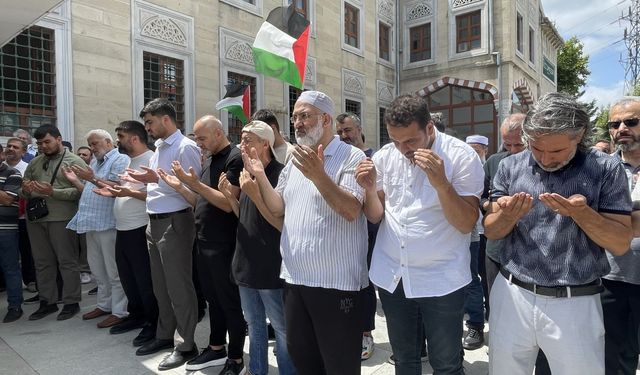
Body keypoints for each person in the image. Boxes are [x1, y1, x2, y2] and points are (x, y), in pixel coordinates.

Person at [484, 92, 633, 374]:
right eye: (537, 148)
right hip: (512, 293)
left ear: (579, 136)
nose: (545, 159)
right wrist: (507, 215)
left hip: (575, 302)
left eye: (556, 151)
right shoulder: (510, 165)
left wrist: (582, 213)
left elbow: (620, 242)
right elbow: (491, 231)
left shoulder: (605, 167)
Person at [356, 94, 483, 374]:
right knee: (404, 360)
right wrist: (368, 189)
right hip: (394, 275)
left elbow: (465, 223)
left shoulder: (461, 156)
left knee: (446, 364)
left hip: (442, 279)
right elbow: (376, 215)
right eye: (395, 140)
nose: (403, 149)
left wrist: (441, 184)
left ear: (429, 129)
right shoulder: (386, 156)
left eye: (410, 141)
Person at [243, 90, 368, 374]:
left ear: (325, 119)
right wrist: (260, 174)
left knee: (339, 365)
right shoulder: (295, 161)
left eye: (305, 116)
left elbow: (350, 210)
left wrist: (319, 176)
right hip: (295, 280)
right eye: (295, 117)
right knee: (305, 360)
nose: (297, 123)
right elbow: (277, 208)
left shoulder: (351, 156)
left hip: (335, 284)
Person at [159, 115, 247, 374]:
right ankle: (216, 348)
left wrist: (194, 183)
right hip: (204, 241)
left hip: (224, 244)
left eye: (201, 137)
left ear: (218, 133)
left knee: (229, 303)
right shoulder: (210, 160)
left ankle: (236, 359)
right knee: (213, 300)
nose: (198, 143)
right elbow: (202, 202)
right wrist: (182, 186)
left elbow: (226, 203)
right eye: (196, 137)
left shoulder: (235, 157)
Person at [127, 98, 201, 371]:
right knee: (160, 286)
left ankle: (186, 344)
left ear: (165, 119)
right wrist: (149, 181)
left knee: (178, 287)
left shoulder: (186, 147)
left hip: (176, 221)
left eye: (149, 122)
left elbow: (194, 189)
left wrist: (155, 179)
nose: (147, 128)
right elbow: (160, 184)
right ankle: (164, 334)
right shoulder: (160, 147)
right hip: (154, 221)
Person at [219, 121, 296, 375]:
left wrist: (254, 194)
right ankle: (257, 370)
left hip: (270, 265)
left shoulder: (280, 173)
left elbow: (279, 223)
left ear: (266, 143)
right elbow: (245, 216)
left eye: (248, 139)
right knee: (254, 324)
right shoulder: (247, 171)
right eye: (241, 139)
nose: (243, 144)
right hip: (245, 263)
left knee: (281, 328)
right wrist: (232, 197)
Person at [92, 121, 158, 347]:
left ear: (134, 139)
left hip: (140, 228)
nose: (117, 140)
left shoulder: (152, 159)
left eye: (119, 136)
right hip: (122, 228)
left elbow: (158, 195)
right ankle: (136, 315)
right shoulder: (130, 161)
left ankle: (153, 322)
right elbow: (127, 192)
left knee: (145, 280)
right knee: (128, 278)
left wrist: (127, 191)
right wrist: (112, 193)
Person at [66, 129, 130, 329]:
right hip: (91, 222)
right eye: (90, 144)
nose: (92, 148)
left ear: (109, 142)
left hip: (109, 223)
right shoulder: (95, 163)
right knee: (98, 271)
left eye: (95, 144)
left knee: (114, 272)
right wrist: (76, 181)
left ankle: (120, 311)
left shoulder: (120, 159)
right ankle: (104, 305)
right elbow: (91, 191)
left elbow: (117, 187)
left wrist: (91, 178)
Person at [22, 125, 86, 321]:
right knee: (41, 263)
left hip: (61, 218)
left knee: (67, 261)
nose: (43, 146)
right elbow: (22, 189)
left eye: (47, 142)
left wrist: (53, 192)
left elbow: (81, 192)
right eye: (40, 143)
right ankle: (47, 302)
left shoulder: (75, 161)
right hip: (36, 219)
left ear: (59, 139)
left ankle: (71, 302)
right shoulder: (35, 162)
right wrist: (27, 189)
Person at [602, 97, 640, 374]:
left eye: (631, 122)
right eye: (615, 124)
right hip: (610, 277)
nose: (622, 128)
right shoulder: (600, 169)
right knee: (612, 356)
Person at [336, 111, 378, 360]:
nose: (344, 136)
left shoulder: (374, 158)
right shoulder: (339, 160)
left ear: (360, 130)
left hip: (371, 232)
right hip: (344, 234)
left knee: (366, 284)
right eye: (340, 132)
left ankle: (366, 333)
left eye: (348, 130)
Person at [462, 134, 489, 350]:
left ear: (485, 150)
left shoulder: (484, 168)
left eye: (477, 148)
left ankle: (475, 324)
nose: (473, 151)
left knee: (472, 278)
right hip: (450, 234)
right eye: (469, 147)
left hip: (473, 232)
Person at [4, 138, 37, 294]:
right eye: (9, 146)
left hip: (23, 217)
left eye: (15, 147)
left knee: (26, 250)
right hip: (5, 219)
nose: (11, 149)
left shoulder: (27, 168)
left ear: (23, 152)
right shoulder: (2, 168)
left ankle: (30, 279)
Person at [0, 156, 23, 323]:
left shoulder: (12, 173)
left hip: (5, 231)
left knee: (10, 268)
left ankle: (15, 306)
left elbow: (8, 199)